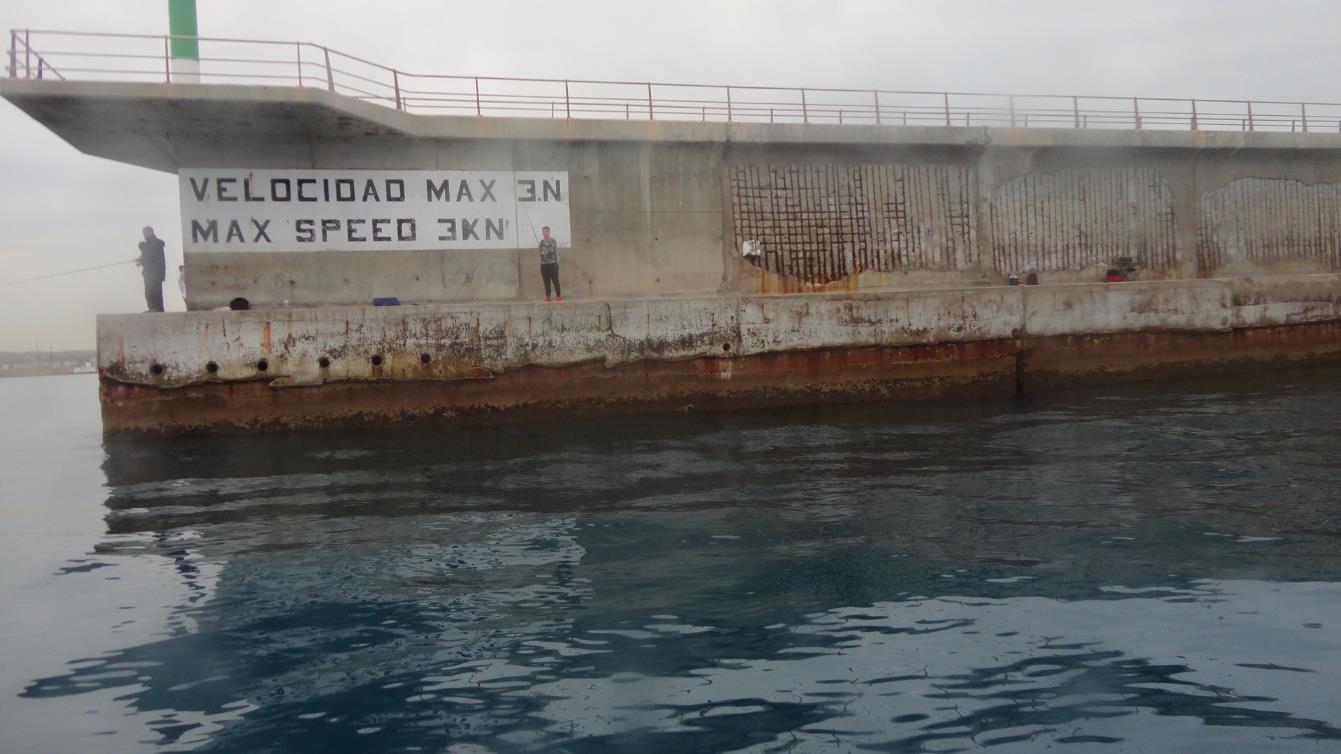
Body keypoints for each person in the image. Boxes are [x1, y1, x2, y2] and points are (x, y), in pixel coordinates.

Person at [137, 226, 166, 312]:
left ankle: (155, 309)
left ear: (151, 232)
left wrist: (142, 249)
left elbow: (151, 256)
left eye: (146, 233)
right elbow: (147, 257)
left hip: (154, 274)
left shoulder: (156, 243)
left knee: (153, 293)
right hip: (150, 274)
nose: (145, 235)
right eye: (144, 233)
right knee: (150, 293)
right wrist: (141, 261)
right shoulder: (150, 244)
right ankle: (153, 309)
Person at [538, 225, 561, 302]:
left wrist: (544, 252)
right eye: (543, 232)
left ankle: (558, 295)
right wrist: (541, 253)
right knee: (546, 281)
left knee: (555, 281)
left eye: (546, 231)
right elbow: (540, 252)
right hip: (544, 265)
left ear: (549, 232)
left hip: (552, 264)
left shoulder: (552, 241)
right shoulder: (541, 242)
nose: (544, 233)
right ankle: (548, 296)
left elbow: (551, 250)